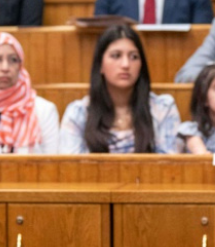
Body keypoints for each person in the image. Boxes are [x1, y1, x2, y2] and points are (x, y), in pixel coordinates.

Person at [59, 25, 180, 153]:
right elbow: (69, 164)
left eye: (134, 57)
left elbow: (169, 163)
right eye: (116, 56)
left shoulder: (163, 108)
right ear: (100, 65)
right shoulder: (78, 113)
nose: (126, 64)